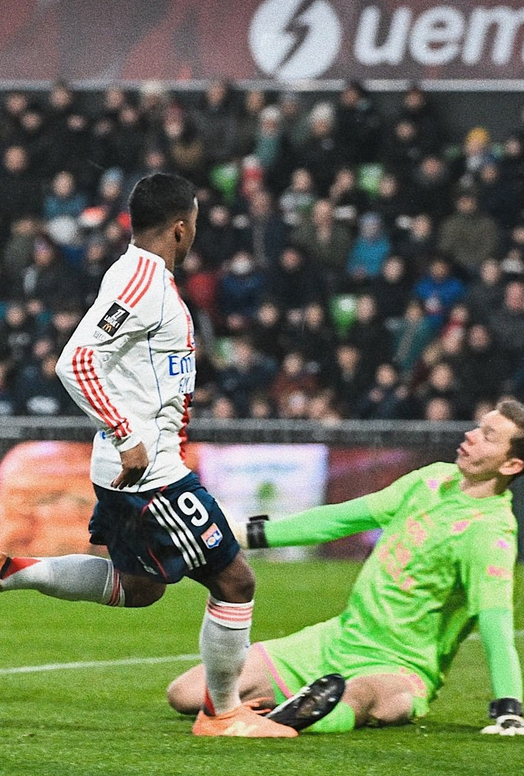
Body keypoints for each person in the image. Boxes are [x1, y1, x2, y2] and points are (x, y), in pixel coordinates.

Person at [0, 172, 331, 739]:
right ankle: (222, 714)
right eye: (195, 223)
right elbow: (75, 361)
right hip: (151, 471)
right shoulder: (142, 282)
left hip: (137, 467)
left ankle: (14, 570)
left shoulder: (139, 275)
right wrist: (124, 432)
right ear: (180, 228)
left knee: (141, 587)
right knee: (235, 582)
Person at [168, 400, 524, 736]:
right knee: (185, 693)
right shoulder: (432, 479)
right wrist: (242, 535)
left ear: (512, 464)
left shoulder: (489, 533)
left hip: (398, 667)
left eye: (488, 436)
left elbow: (495, 622)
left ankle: (290, 717)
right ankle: (296, 705)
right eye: (478, 427)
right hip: (336, 640)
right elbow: (339, 519)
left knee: (370, 698)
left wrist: (509, 709)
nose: (471, 436)